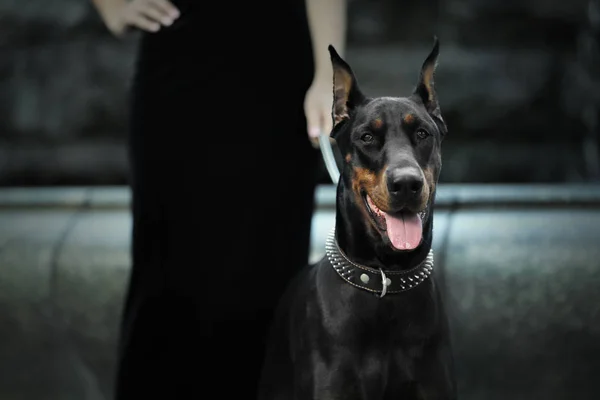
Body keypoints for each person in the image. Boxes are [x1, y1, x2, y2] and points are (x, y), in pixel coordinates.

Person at [90, 0, 348, 398]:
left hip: (276, 78)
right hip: (178, 70)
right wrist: (111, 6)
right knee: (166, 286)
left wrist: (330, 70)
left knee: (266, 284)